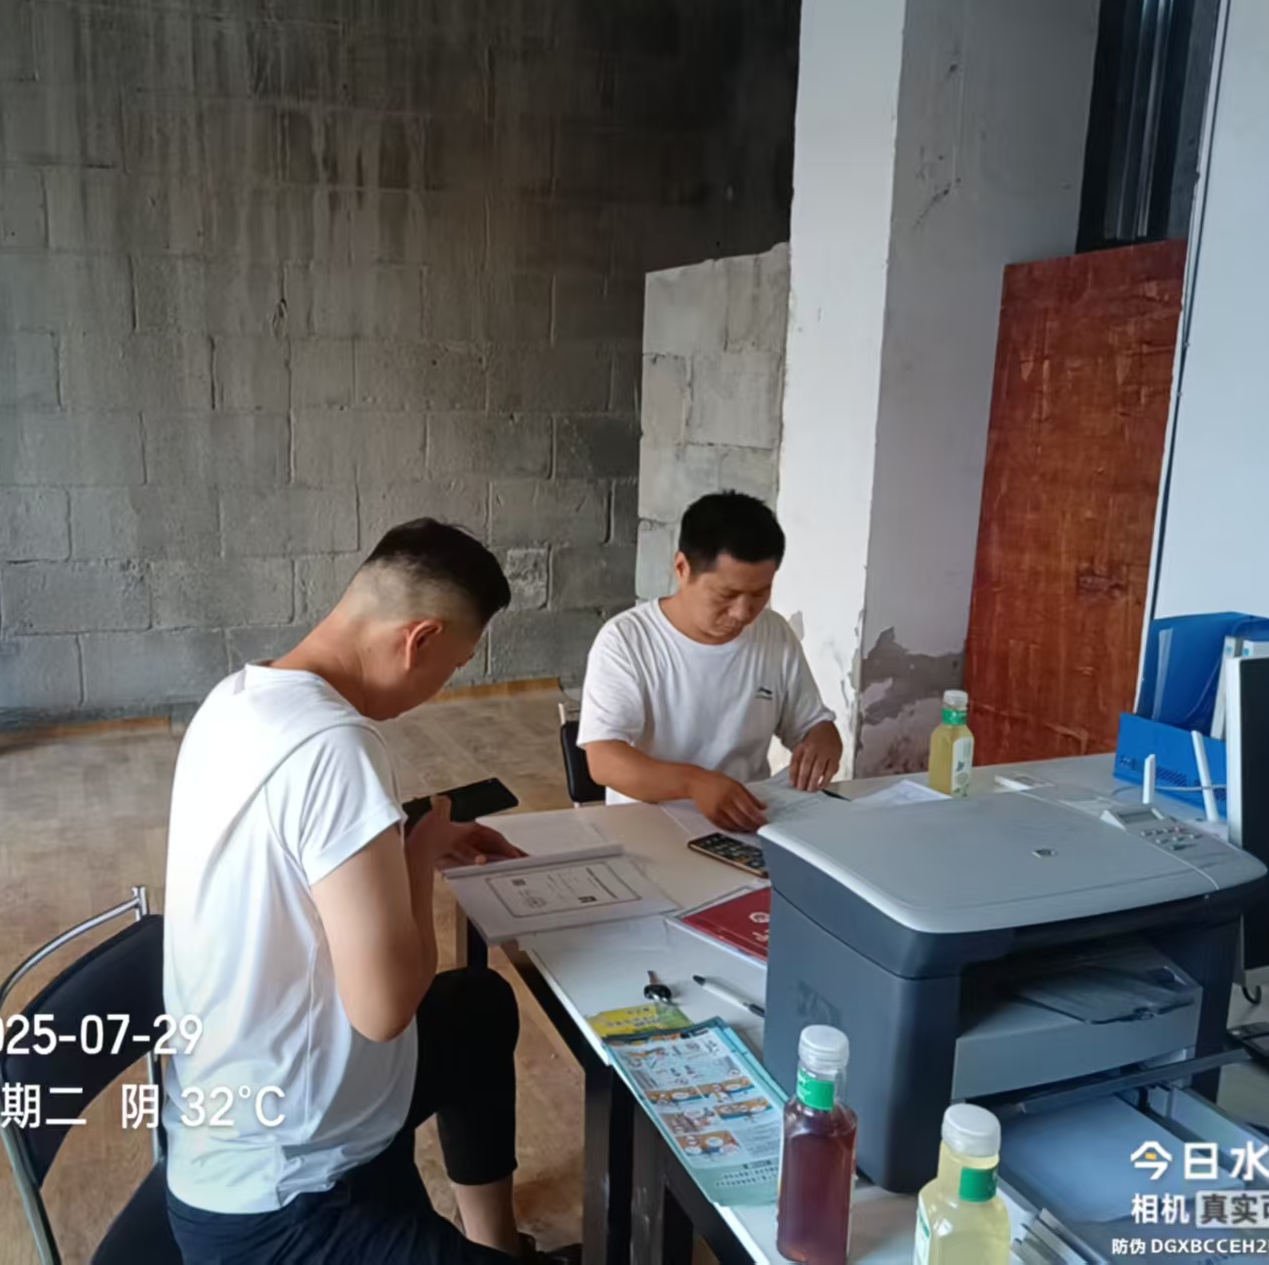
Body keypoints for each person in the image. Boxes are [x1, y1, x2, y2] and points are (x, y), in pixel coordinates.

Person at [162, 519, 568, 1264]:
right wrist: (419, 858)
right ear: (419, 639)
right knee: (422, 1000)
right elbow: (384, 1010)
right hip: (287, 1196)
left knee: (477, 1010)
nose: (441, 688)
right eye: (453, 667)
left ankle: (497, 1242)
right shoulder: (336, 746)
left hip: (241, 1123)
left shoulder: (236, 698)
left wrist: (408, 842)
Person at [578, 491, 843, 833]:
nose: (743, 612)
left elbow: (812, 725)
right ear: (682, 569)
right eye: (726, 595)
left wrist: (824, 740)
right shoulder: (627, 641)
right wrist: (694, 784)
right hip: (650, 827)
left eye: (760, 593)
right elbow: (603, 760)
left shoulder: (774, 634)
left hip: (749, 823)